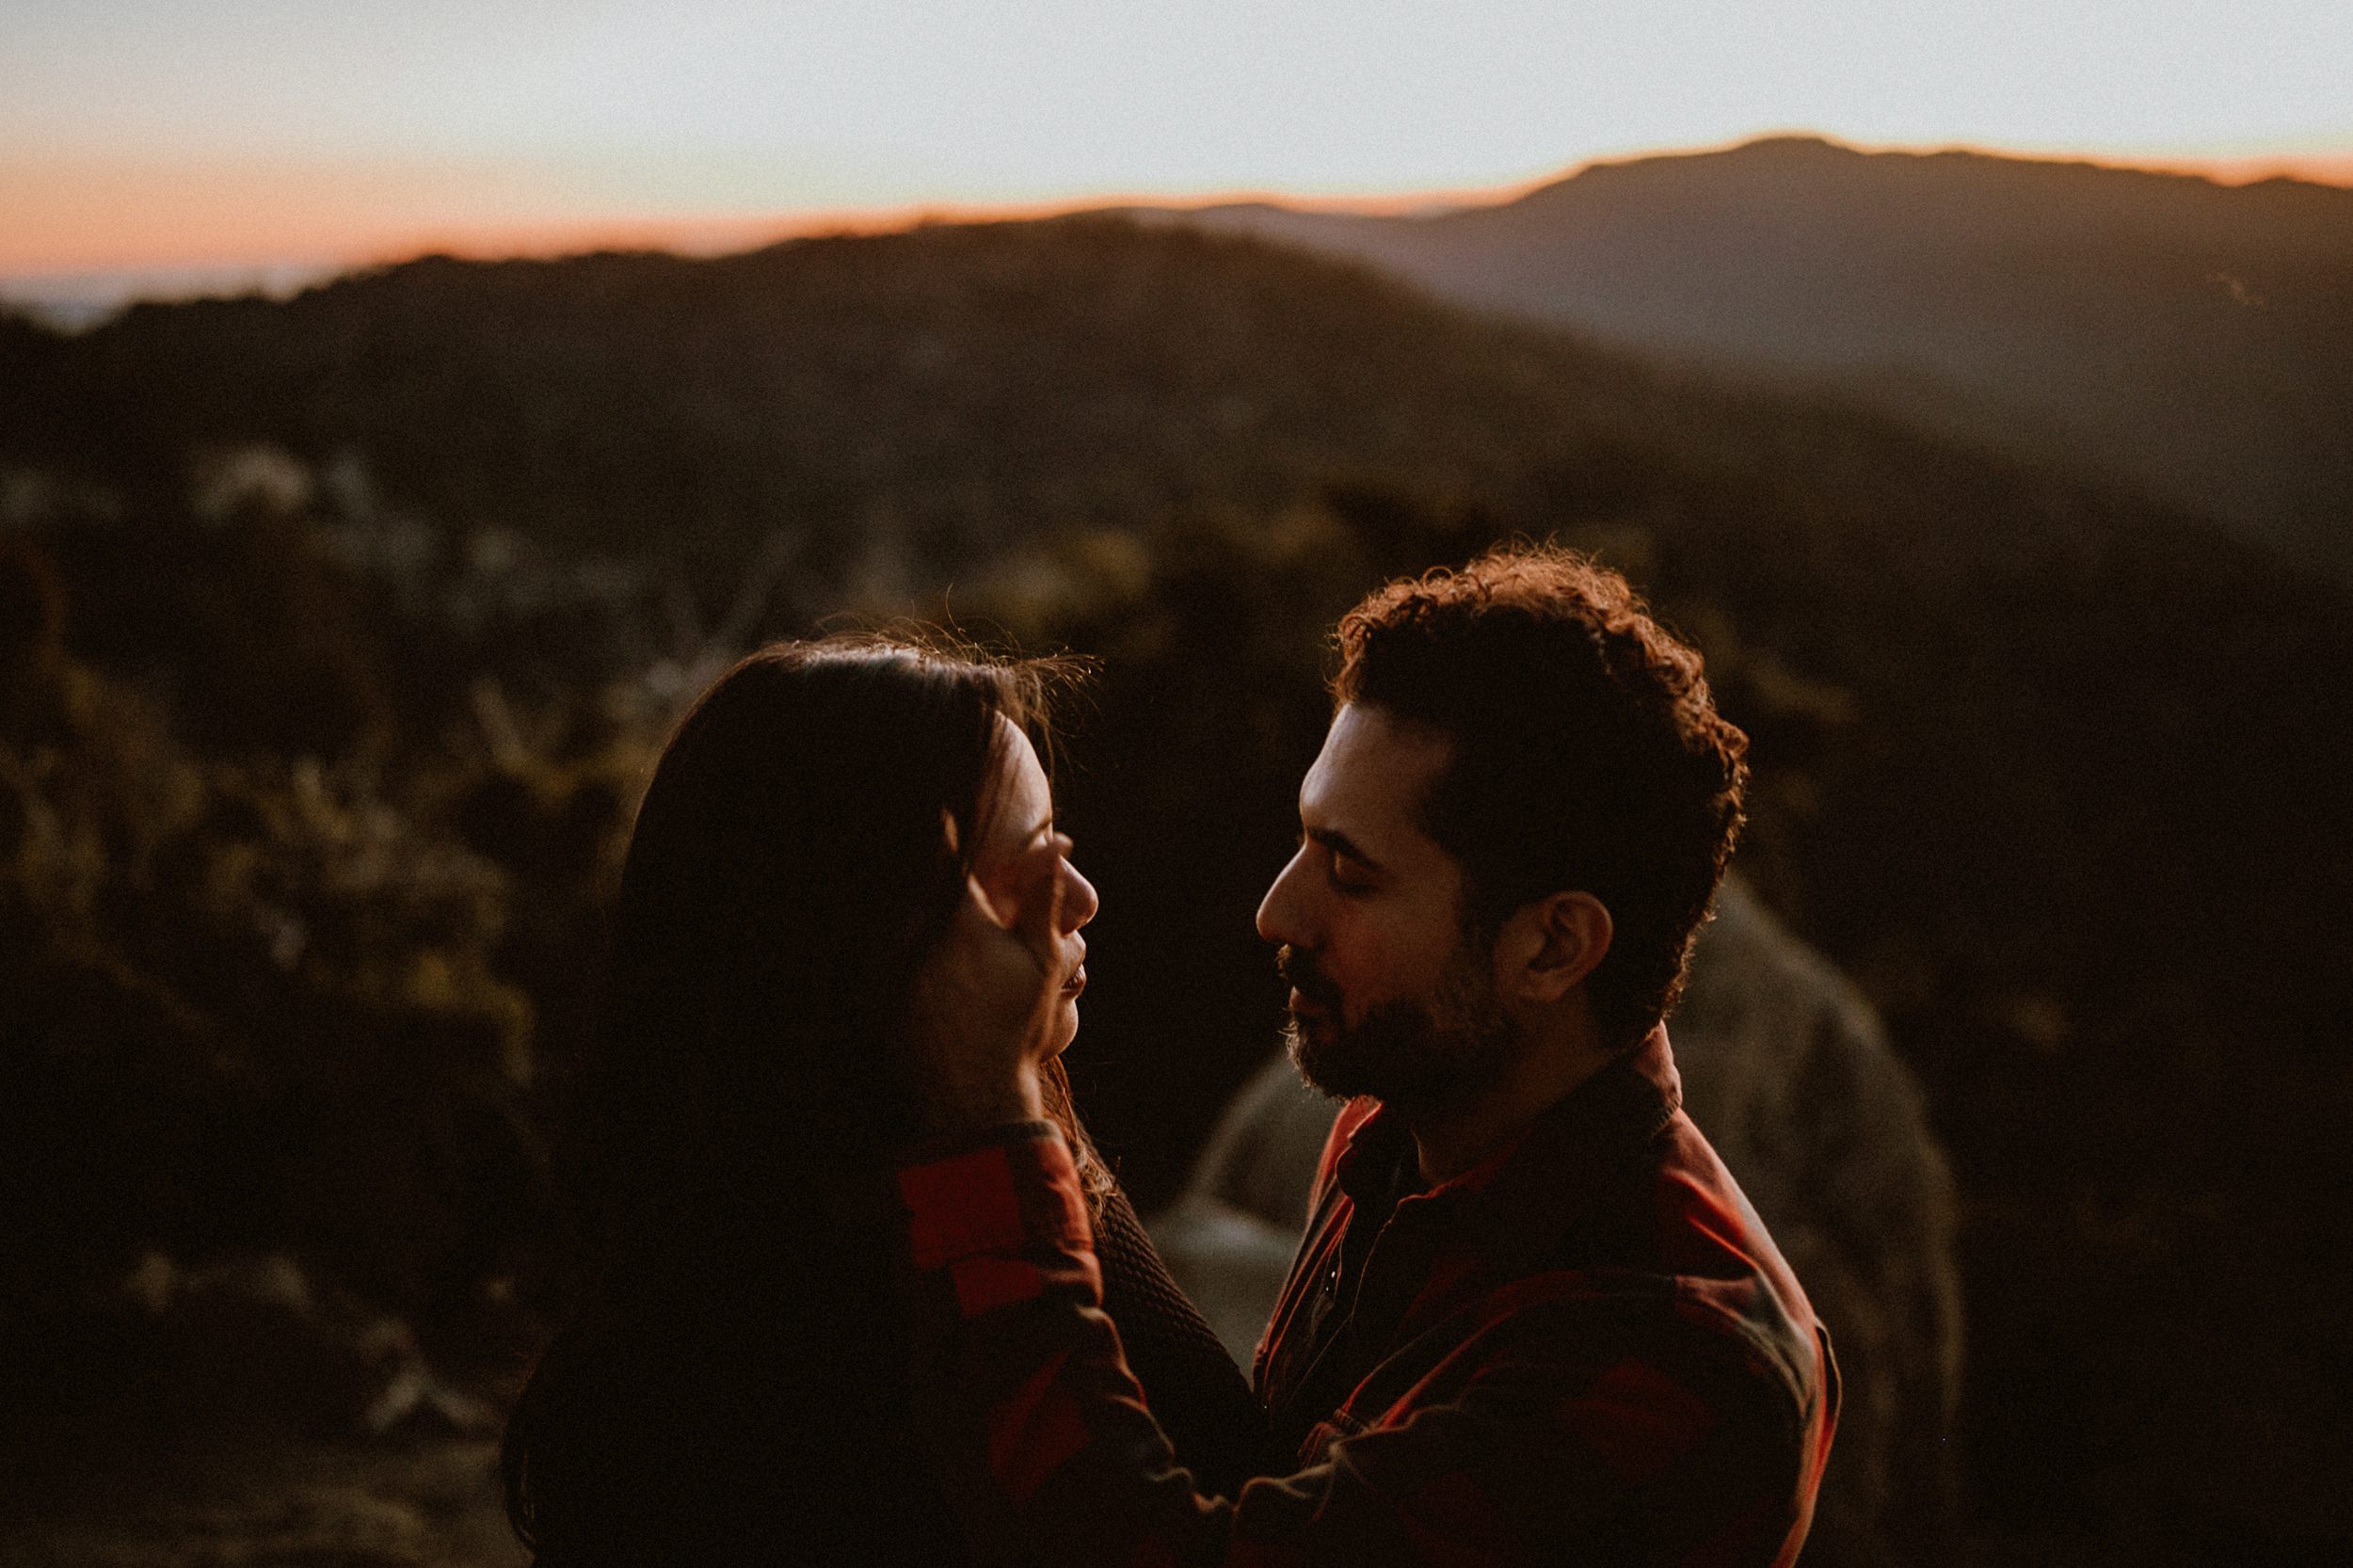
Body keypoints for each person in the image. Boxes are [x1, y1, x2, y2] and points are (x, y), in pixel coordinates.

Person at [899, 544, 1840, 1565]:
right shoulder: (1408, 1130)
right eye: (1305, 840)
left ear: (1551, 946)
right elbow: (1250, 1468)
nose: (1276, 911)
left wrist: (987, 1122)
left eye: (1350, 874)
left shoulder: (1674, 1364)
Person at [499, 636, 1261, 1564]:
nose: (1083, 899)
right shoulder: (773, 1386)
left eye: (1061, 849)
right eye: (1016, 875)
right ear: (859, 931)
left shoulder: (1012, 1152)